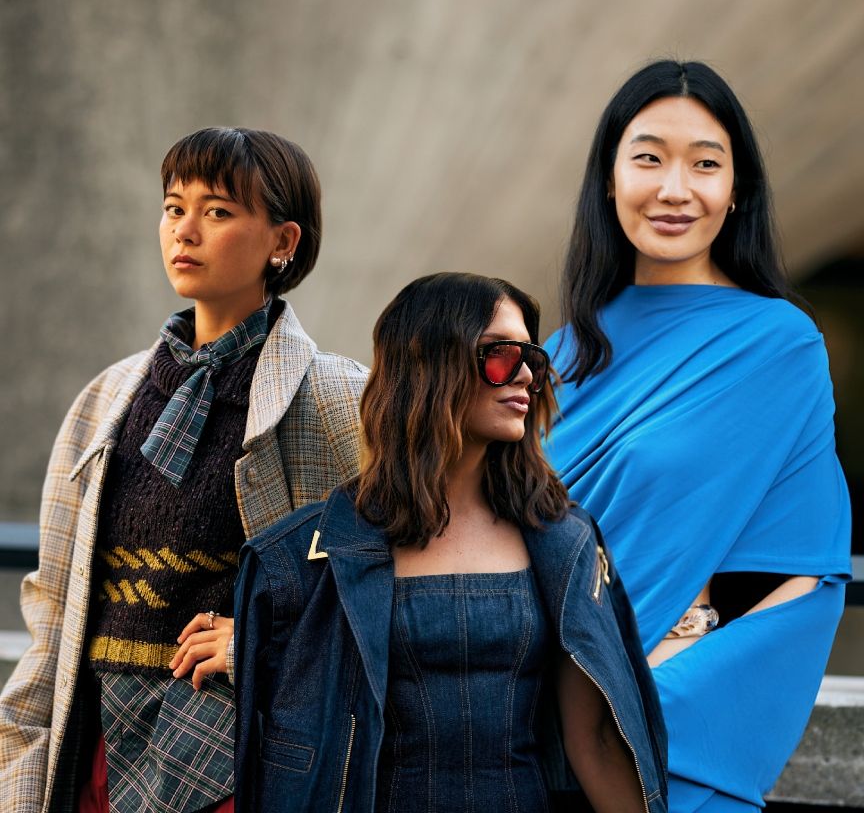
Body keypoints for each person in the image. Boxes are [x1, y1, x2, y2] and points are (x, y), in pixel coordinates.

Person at [0, 127, 367, 813]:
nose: (185, 230)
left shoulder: (336, 397)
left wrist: (257, 643)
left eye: (217, 211)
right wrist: (20, 758)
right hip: (96, 746)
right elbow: (53, 599)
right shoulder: (108, 398)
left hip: (237, 753)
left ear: (283, 242)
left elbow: (389, 577)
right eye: (174, 208)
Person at [234, 272, 668, 813]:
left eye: (531, 357)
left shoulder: (563, 543)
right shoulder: (299, 562)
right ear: (427, 363)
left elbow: (598, 743)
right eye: (500, 354)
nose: (526, 375)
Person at [543, 60, 852, 813]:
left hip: (667, 726)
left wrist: (653, 700)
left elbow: (806, 574)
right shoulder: (558, 355)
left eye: (706, 164)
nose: (675, 189)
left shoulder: (778, 344)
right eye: (649, 158)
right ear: (609, 180)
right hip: (528, 729)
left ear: (736, 189)